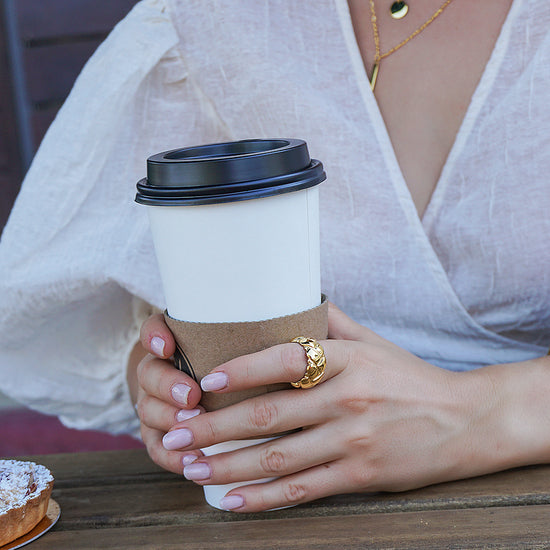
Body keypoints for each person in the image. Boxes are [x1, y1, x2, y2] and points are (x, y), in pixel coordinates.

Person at [1, 0, 549, 513]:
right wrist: (172, 388)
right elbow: (74, 298)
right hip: (267, 506)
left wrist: (475, 416)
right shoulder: (208, 19)